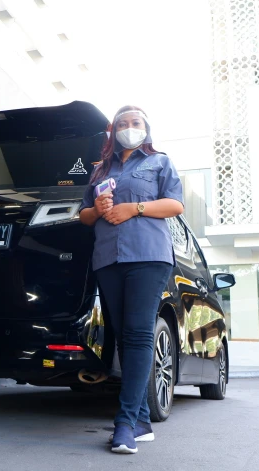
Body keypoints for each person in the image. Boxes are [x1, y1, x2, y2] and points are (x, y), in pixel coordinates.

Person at [78, 105, 184, 454]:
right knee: (123, 337)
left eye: (135, 122)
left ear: (145, 128)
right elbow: (84, 216)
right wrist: (99, 209)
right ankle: (140, 421)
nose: (128, 127)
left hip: (148, 256)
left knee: (138, 334)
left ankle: (124, 423)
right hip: (108, 258)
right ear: (113, 131)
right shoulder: (98, 170)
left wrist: (134, 208)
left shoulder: (158, 162)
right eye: (122, 123)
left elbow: (174, 205)